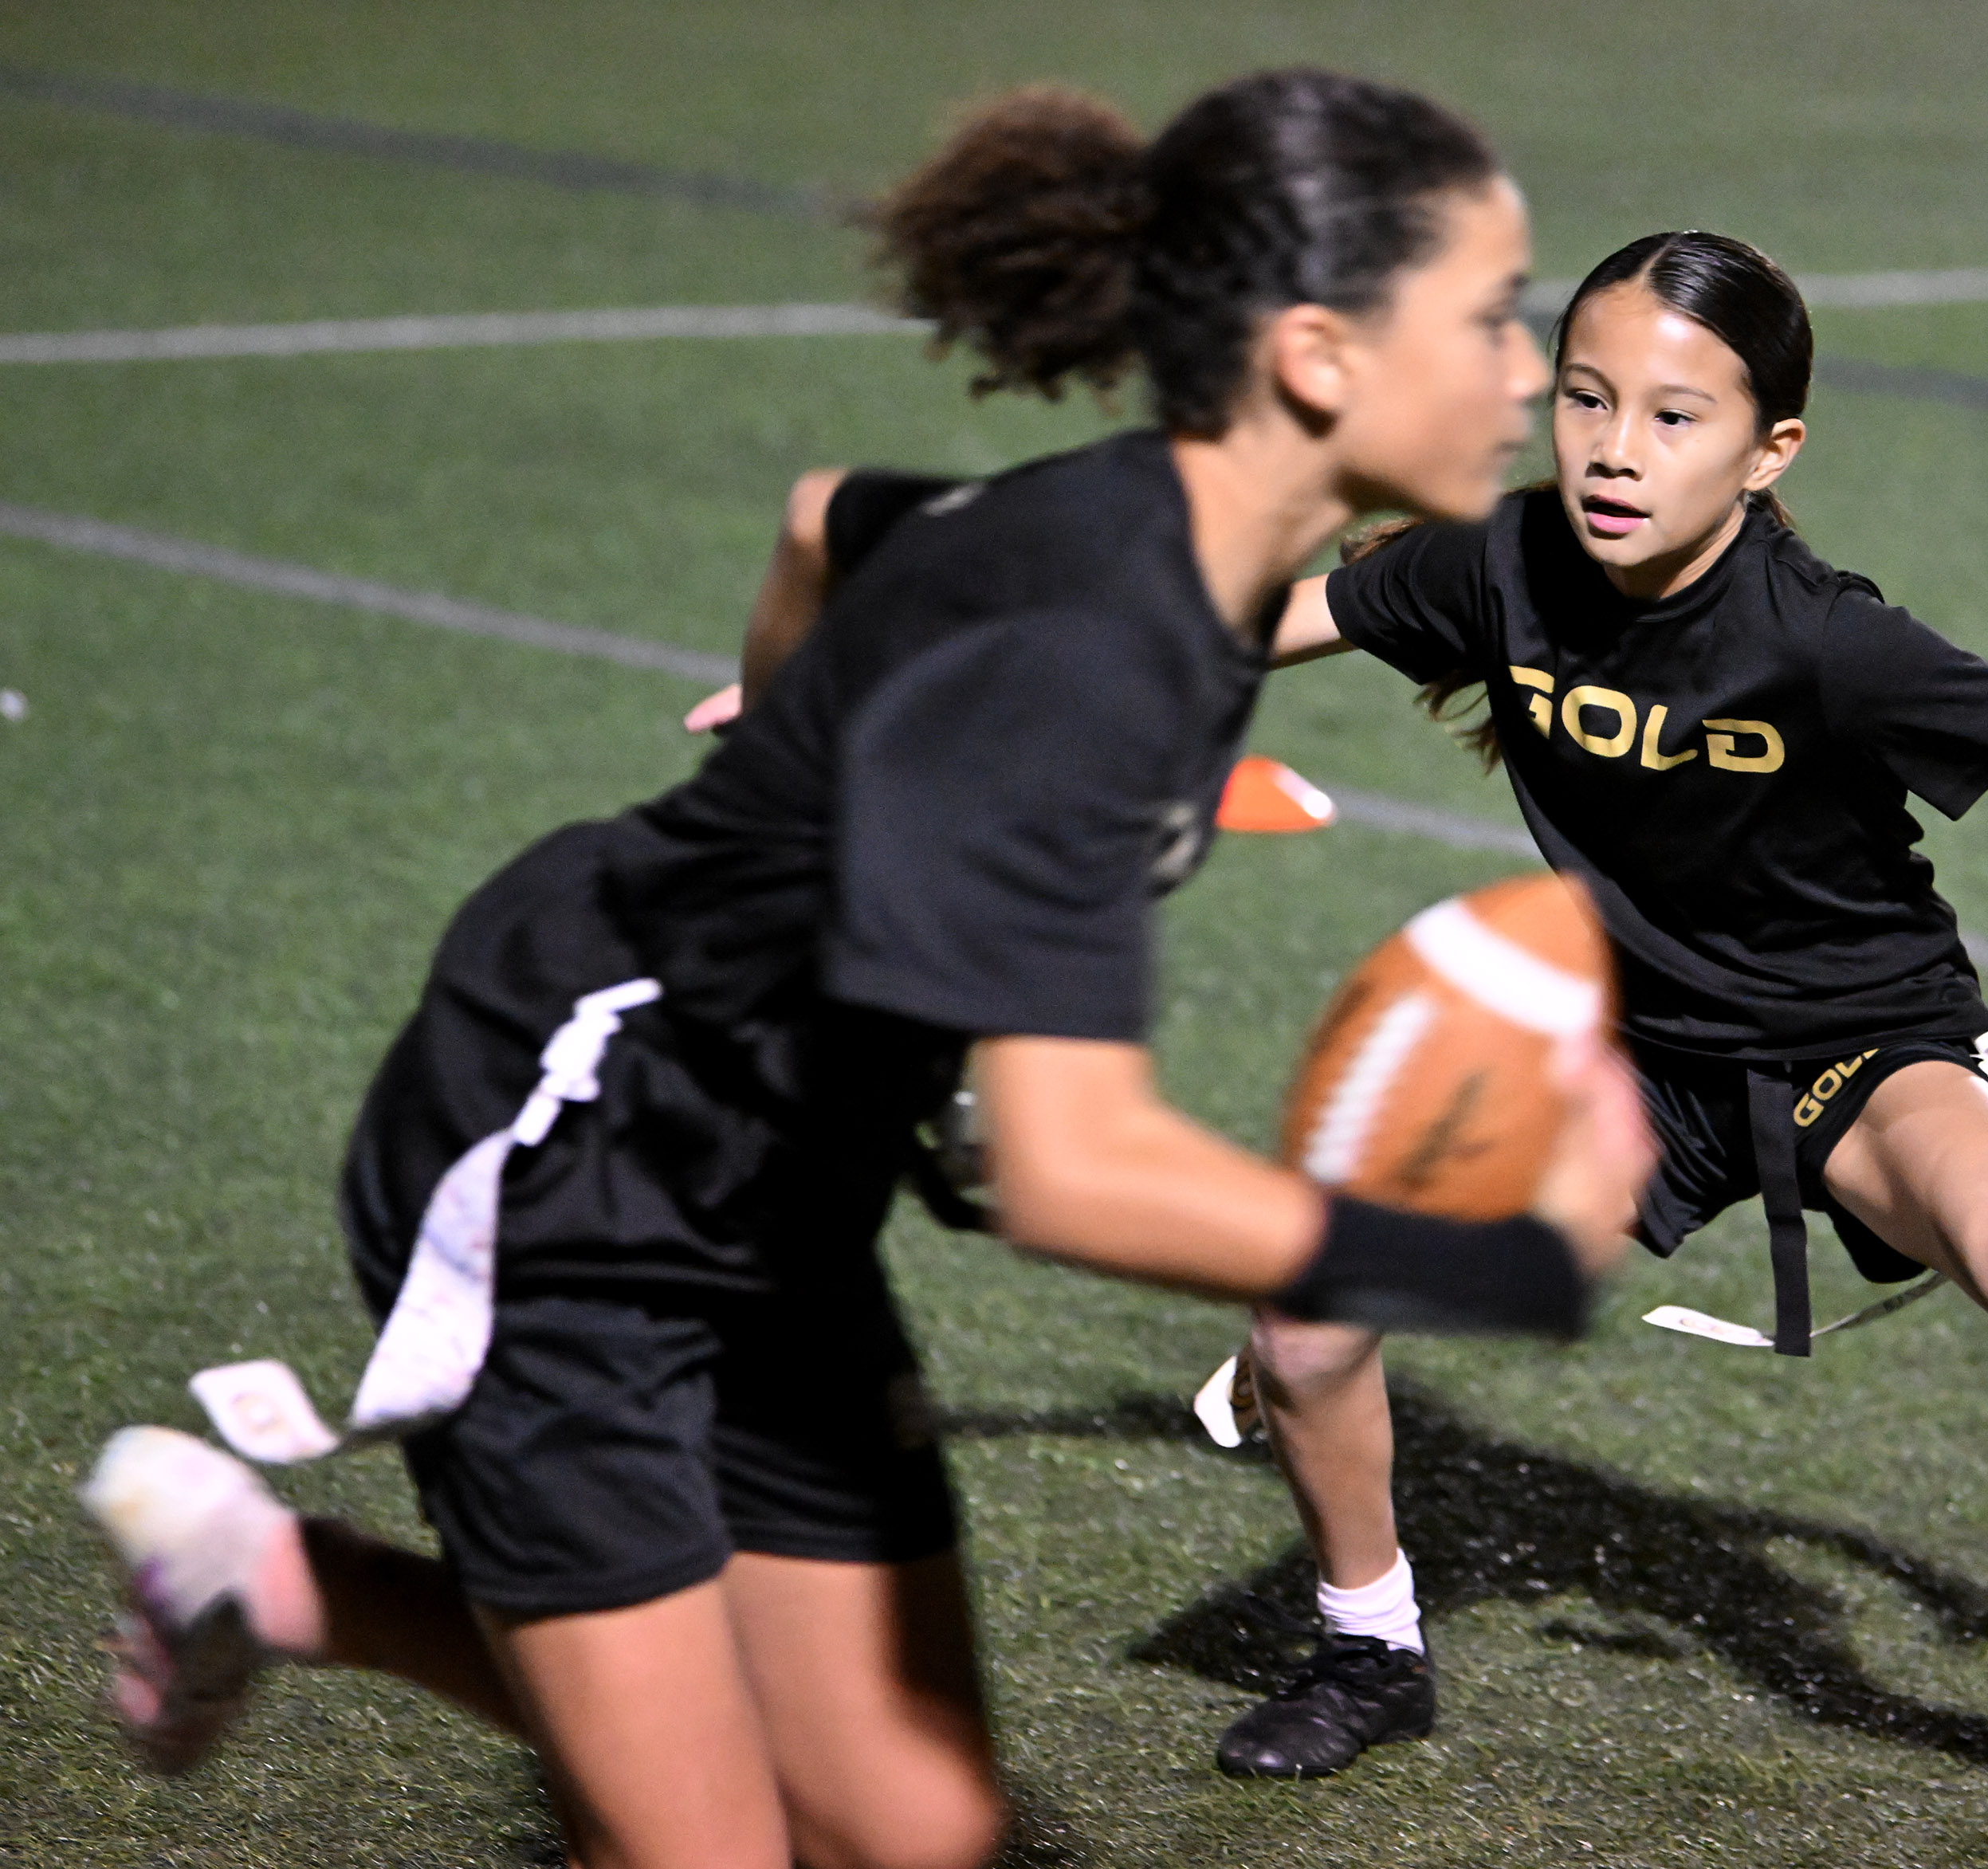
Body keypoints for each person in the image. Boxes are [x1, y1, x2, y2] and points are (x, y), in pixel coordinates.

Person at [78, 75, 1655, 1869]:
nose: (1528, 372)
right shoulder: (1093, 647)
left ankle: (269, 1574)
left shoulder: (1186, 541)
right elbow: (1073, 1170)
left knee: (913, 1834)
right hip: (579, 1164)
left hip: (781, 1188)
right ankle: (302, 1580)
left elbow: (832, 518)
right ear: (1318, 354)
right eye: (1490, 315)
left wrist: (808, 754)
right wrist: (1503, 1261)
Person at [1199, 230, 1988, 1818]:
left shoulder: (1825, 640)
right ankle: (1369, 1650)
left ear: (1768, 450)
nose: (1615, 448)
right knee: (1308, 1325)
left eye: (1675, 417)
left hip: (1860, 1047)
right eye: (1588, 400)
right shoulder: (1494, 564)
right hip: (1635, 1057)